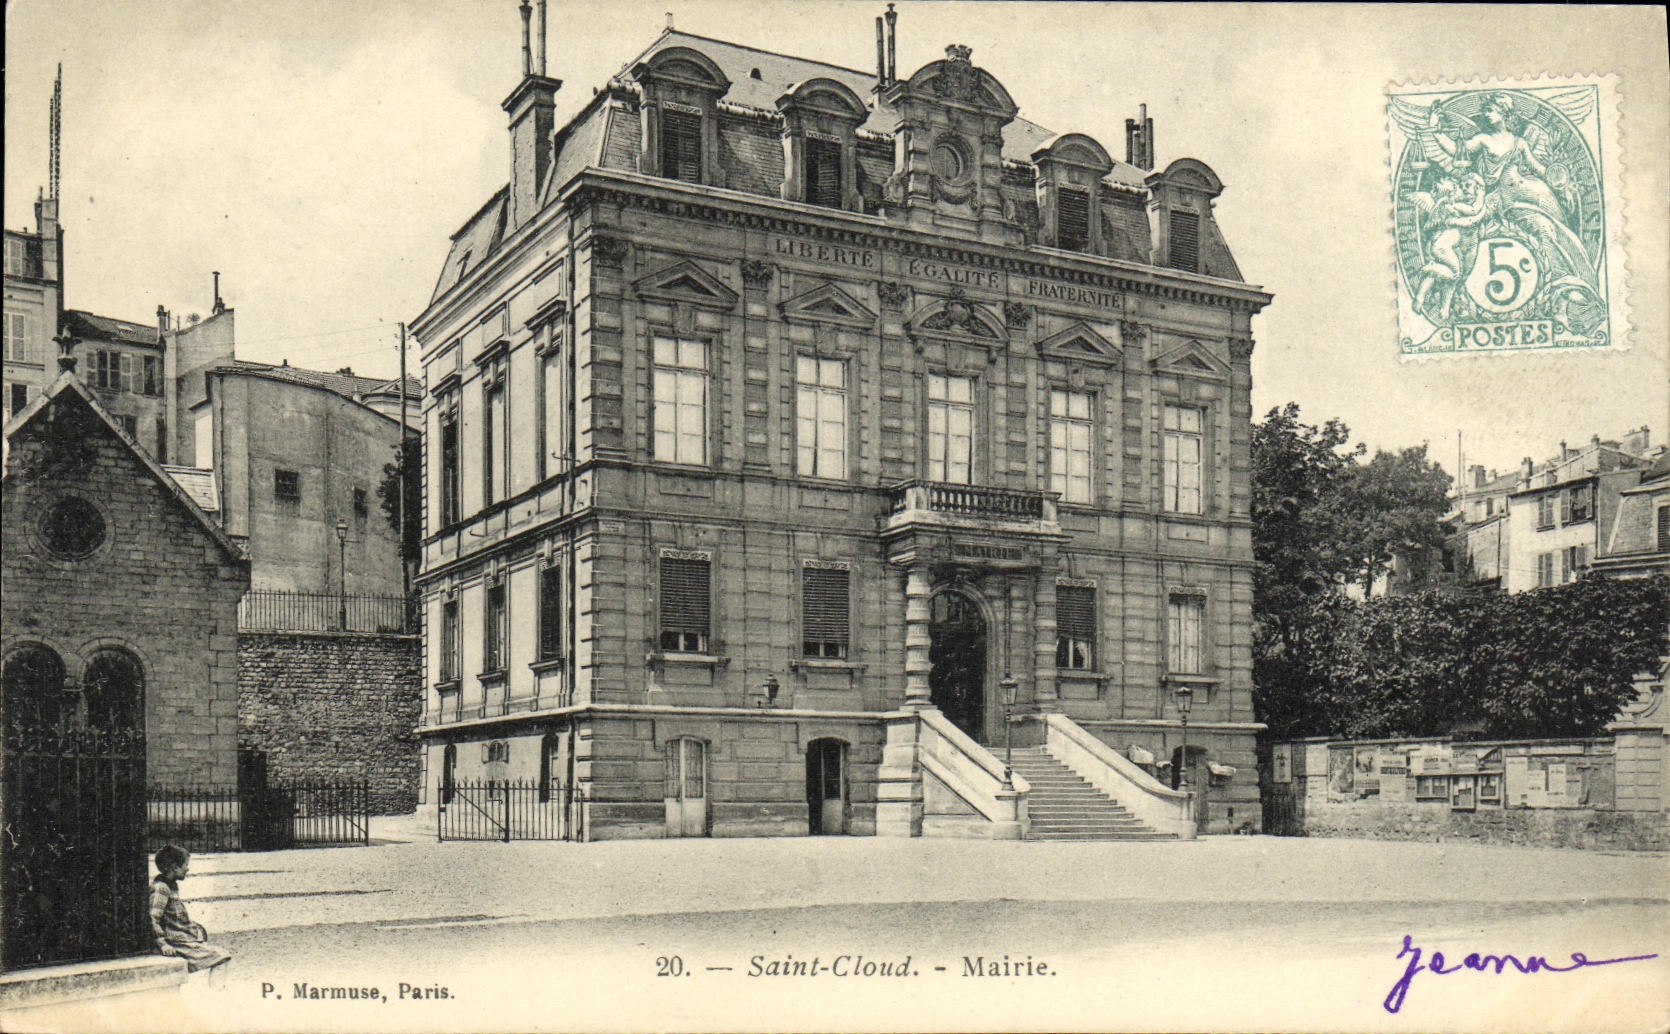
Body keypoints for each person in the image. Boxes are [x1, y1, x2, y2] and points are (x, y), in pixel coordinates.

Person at [150, 844, 231, 978]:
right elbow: (152, 918)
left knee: (217, 955)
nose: (187, 869)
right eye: (185, 865)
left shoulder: (170, 886)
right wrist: (162, 944)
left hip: (181, 941)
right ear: (175, 867)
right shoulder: (161, 888)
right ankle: (216, 996)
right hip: (175, 944)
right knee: (221, 957)